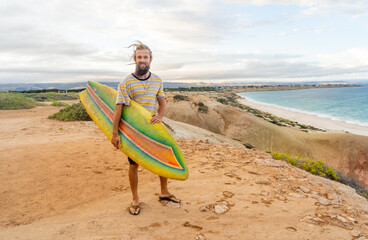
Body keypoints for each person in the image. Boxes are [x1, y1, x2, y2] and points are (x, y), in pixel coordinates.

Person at [111, 41, 180, 215]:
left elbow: (162, 103)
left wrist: (160, 117)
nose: (142, 60)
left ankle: (164, 192)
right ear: (134, 59)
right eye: (139, 57)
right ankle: (135, 199)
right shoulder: (125, 82)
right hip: (133, 131)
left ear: (151, 59)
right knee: (134, 165)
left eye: (145, 57)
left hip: (153, 128)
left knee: (161, 159)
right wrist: (115, 133)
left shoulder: (157, 80)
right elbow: (118, 108)